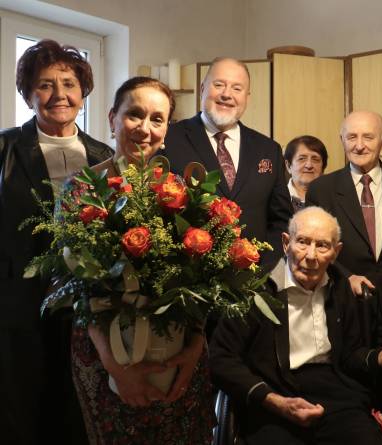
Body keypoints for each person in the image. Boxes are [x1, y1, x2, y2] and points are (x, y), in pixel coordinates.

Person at [70, 77, 214, 444]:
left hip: (178, 355)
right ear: (111, 118)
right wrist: (117, 367)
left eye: (157, 119)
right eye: (134, 114)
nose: (145, 129)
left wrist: (194, 350)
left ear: (167, 130)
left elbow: (201, 282)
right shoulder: (81, 189)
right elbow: (76, 289)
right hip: (106, 357)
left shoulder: (183, 191)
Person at [209, 206, 382, 445]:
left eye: (322, 245)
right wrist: (274, 401)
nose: (311, 255)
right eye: (302, 242)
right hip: (273, 395)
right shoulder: (254, 289)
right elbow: (221, 360)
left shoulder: (341, 288)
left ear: (336, 252)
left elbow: (351, 355)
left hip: (337, 394)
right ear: (285, 243)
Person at [0, 39, 112, 445]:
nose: (59, 95)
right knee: (19, 413)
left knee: (78, 412)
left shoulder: (105, 155)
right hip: (17, 308)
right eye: (45, 84)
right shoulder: (4, 149)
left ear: (83, 92)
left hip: (88, 308)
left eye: (68, 83)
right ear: (29, 94)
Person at [306, 111, 382, 345]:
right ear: (342, 141)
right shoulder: (322, 189)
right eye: (351, 137)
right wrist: (346, 276)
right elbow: (313, 249)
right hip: (345, 308)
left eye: (368, 137)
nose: (359, 146)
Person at [164, 57, 292, 266]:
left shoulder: (269, 150)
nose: (226, 94)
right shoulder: (170, 139)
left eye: (237, 88)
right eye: (219, 85)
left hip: (254, 283)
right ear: (203, 87)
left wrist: (260, 271)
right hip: (187, 282)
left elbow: (282, 220)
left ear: (247, 97)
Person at [283, 135, 328, 211]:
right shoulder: (278, 199)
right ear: (288, 166)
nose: (309, 165)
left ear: (323, 167)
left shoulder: (333, 198)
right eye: (302, 159)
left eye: (315, 159)